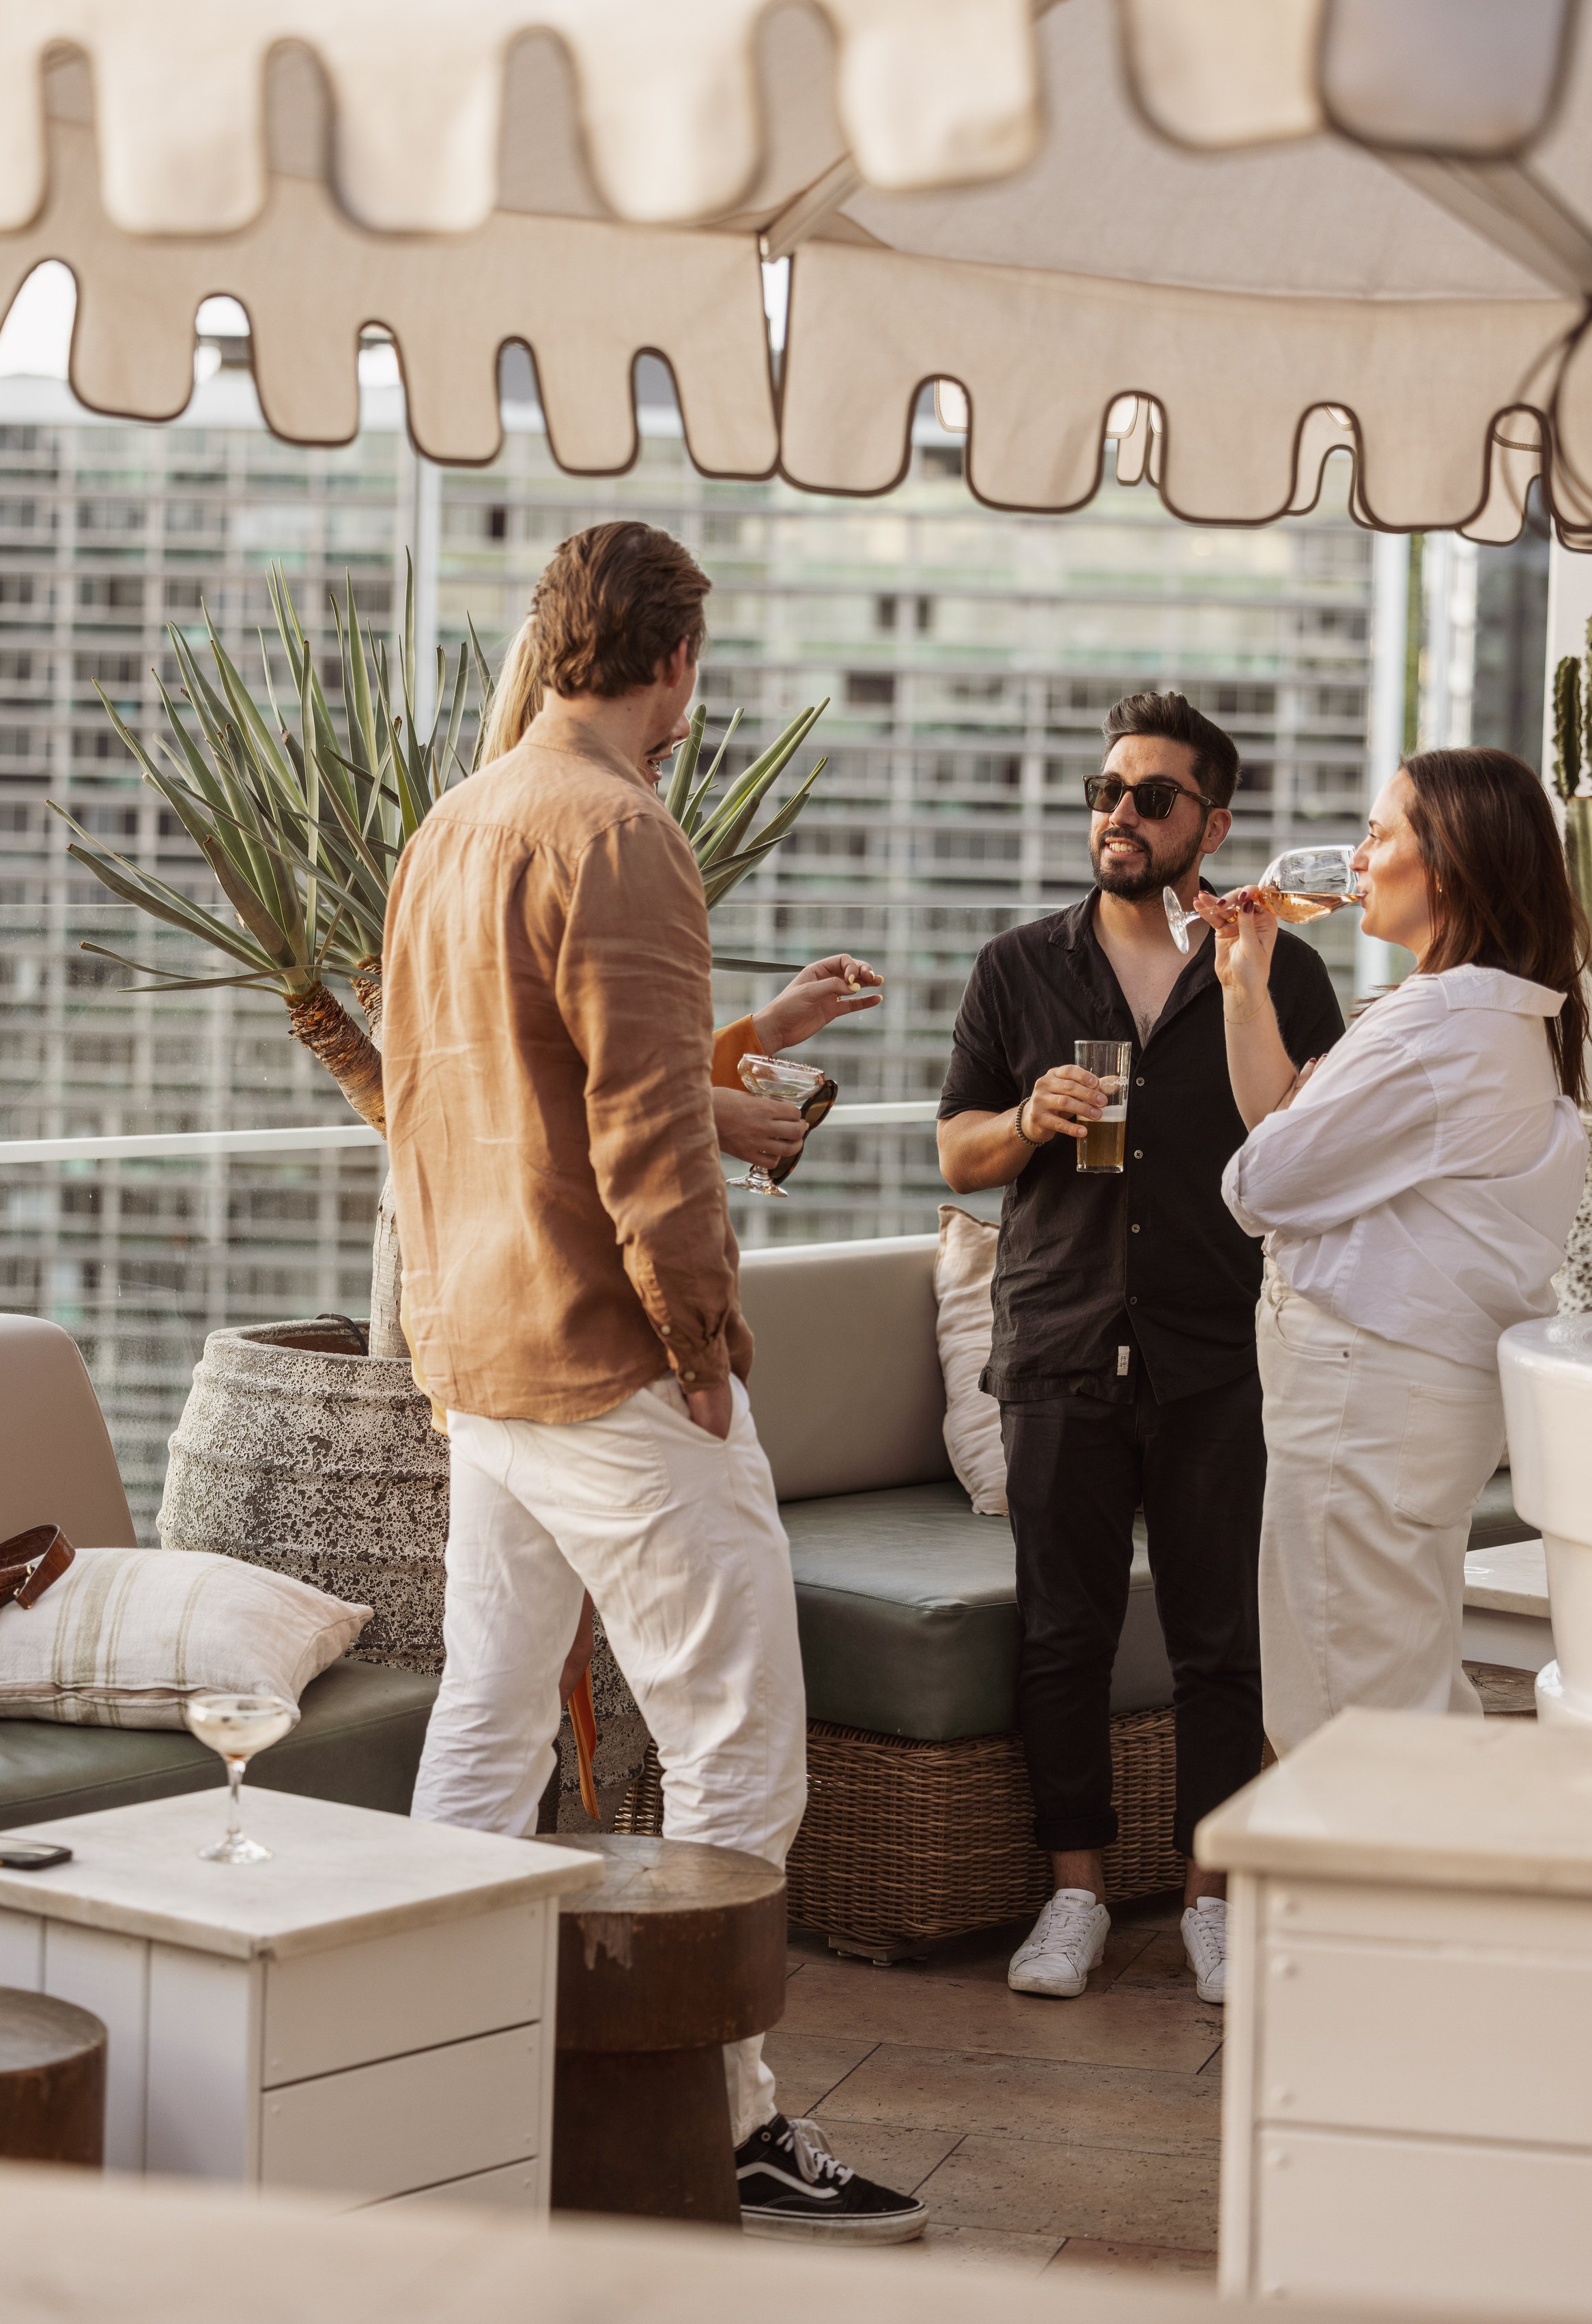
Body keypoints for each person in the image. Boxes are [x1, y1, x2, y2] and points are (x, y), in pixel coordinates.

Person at [382, 521, 925, 2243]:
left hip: (479, 1354)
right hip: (611, 1369)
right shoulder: (622, 829)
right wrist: (703, 1352)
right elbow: (637, 1146)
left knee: (489, 1713)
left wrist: (727, 1077)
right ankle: (717, 2113)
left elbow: (480, 1097)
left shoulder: (451, 827)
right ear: (675, 660)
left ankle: (425, 2067)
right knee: (742, 1737)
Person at [937, 691, 1344, 2006]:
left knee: (1220, 1637)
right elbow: (956, 1151)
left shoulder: (1280, 966)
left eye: (1152, 797)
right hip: (1056, 1339)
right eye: (1108, 790)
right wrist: (1027, 1117)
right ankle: (1077, 1895)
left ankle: (1211, 1900)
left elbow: (1320, 1141)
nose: (1120, 814)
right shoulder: (1017, 967)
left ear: (1212, 823)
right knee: (1065, 1630)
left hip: (1218, 1343)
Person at [1210, 748, 1589, 1755]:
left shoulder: (1431, 1028)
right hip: (1410, 1408)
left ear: (1450, 866)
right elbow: (1293, 1132)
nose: (1359, 857)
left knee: (1347, 1727)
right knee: (1397, 1694)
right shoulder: (1503, 1018)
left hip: (1363, 1408)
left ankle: (1388, 1913)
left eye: (1381, 835)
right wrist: (1248, 988)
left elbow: (1258, 1183)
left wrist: (1295, 1143)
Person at [482, 614, 883, 1175]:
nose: (683, 730)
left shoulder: (491, 837)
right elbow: (512, 1089)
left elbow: (609, 1069)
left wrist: (766, 1031)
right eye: (662, 694)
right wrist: (704, 1116)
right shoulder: (579, 853)